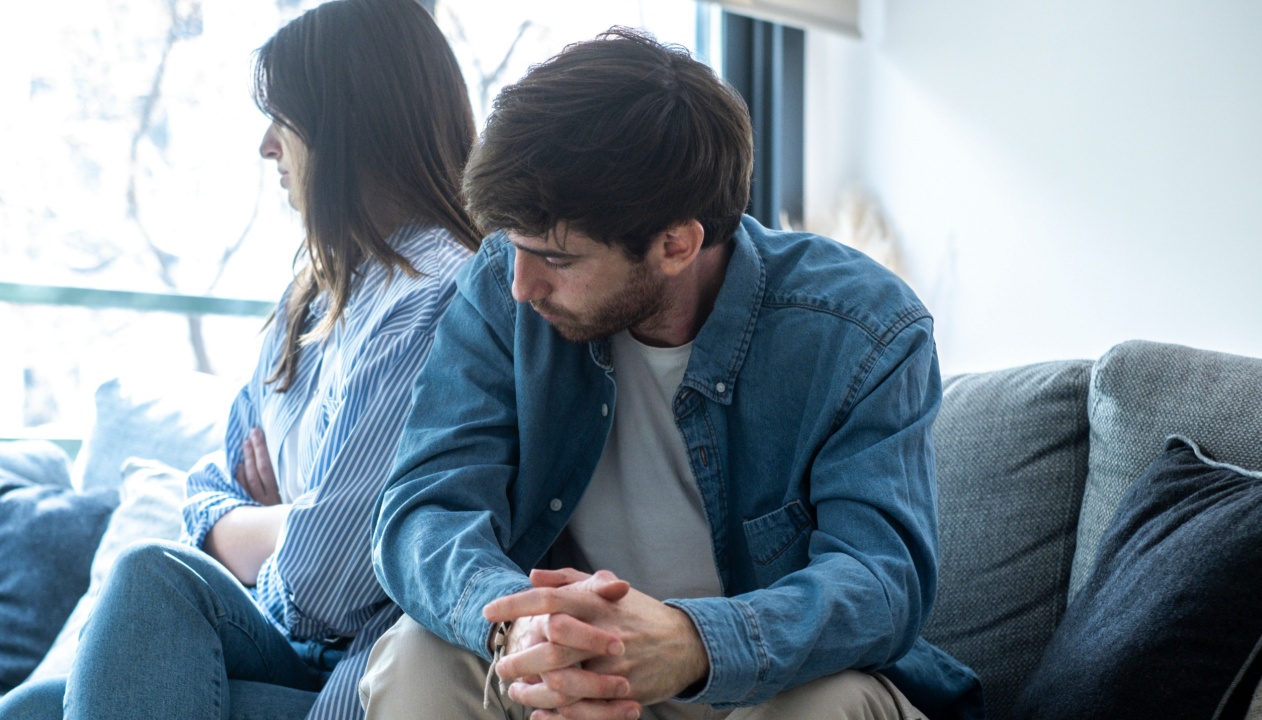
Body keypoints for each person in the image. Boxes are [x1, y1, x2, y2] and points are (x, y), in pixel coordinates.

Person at [362, 27, 983, 720]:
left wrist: (693, 643)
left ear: (676, 244)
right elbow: (424, 508)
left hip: (761, 686)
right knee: (418, 653)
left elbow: (881, 581)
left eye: (558, 259)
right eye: (514, 247)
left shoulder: (863, 328)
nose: (521, 285)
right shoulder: (504, 294)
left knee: (827, 704)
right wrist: (521, 624)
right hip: (573, 674)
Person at [0, 0, 479, 718]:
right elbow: (206, 486)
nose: (266, 146)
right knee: (31, 707)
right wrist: (293, 520)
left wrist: (276, 527)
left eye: (284, 121)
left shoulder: (434, 298)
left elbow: (325, 588)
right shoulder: (312, 295)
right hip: (286, 639)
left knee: (153, 577)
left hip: (355, 669)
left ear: (350, 127)